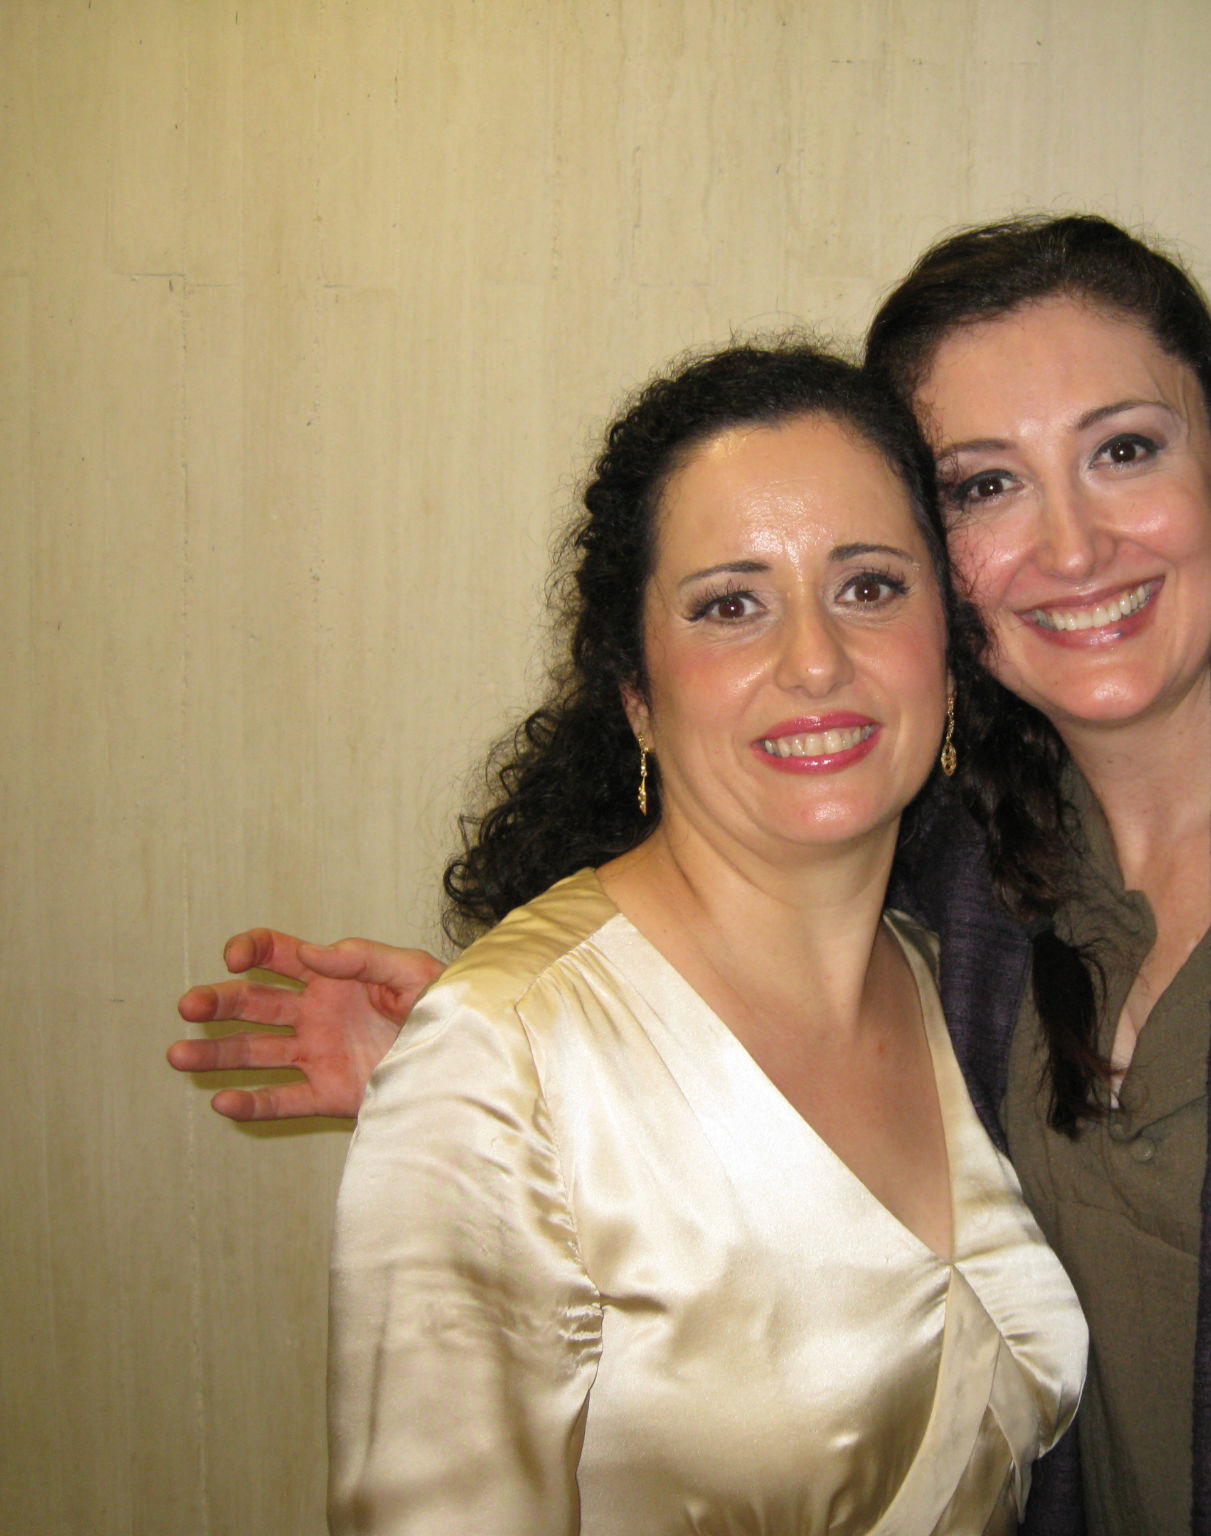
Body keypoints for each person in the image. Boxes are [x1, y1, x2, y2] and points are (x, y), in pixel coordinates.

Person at [175, 216, 1211, 1533]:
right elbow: (787, 1170)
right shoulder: (975, 890)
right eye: (988, 485)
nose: (1071, 544)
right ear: (947, 567)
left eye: (1125, 450)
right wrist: (514, 1089)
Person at [306, 344, 1087, 1534]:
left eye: (869, 587)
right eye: (731, 606)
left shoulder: (959, 984)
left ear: (947, 646)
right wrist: (483, 1078)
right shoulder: (502, 1059)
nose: (814, 660)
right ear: (635, 692)